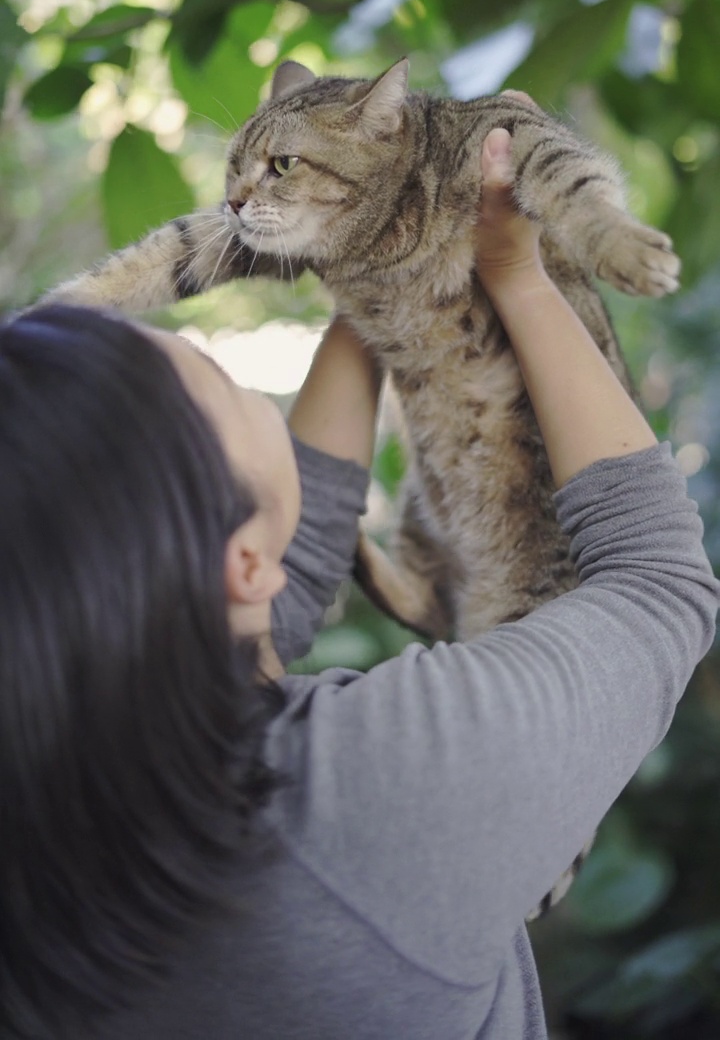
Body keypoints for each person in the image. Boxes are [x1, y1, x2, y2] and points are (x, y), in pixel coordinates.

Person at [0, 129, 717, 1040]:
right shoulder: (378, 789)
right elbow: (659, 582)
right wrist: (521, 277)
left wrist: (376, 250)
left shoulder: (57, 795)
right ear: (238, 560)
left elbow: (280, 581)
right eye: (223, 389)